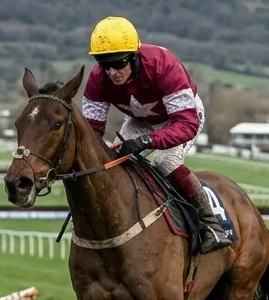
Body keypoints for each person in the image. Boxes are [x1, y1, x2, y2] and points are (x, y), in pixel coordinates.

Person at [81, 15, 232, 254]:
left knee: (165, 161)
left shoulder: (164, 65)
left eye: (119, 63)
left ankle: (211, 224)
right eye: (104, 64)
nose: (112, 72)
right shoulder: (97, 78)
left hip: (181, 117)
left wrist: (147, 141)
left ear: (134, 56)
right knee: (112, 160)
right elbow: (91, 130)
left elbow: (186, 124)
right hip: (141, 119)